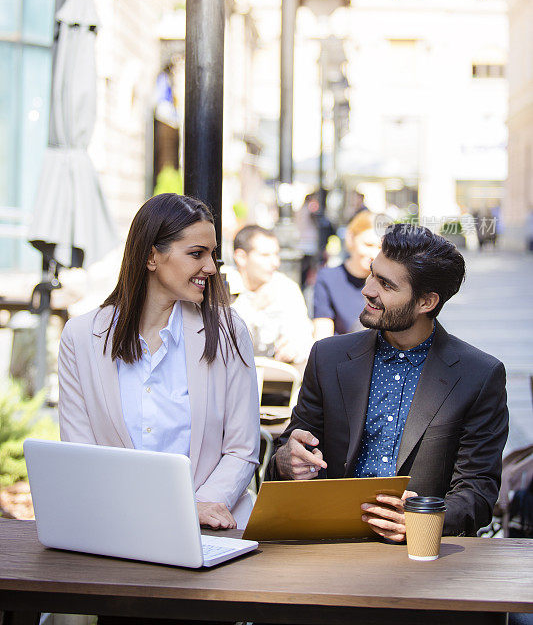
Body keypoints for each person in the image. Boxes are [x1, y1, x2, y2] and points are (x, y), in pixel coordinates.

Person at [267, 224, 508, 539]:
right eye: (371, 273)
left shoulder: (479, 374)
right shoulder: (328, 357)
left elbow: (478, 491)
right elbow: (288, 453)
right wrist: (287, 461)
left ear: (426, 302)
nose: (367, 289)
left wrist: (425, 520)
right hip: (329, 543)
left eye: (386, 284)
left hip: (421, 555)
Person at [58, 193, 260, 530]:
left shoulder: (228, 330)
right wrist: (157, 512)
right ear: (152, 256)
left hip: (209, 531)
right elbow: (82, 458)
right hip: (116, 530)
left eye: (212, 254)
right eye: (197, 254)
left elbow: (242, 449)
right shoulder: (81, 338)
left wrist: (195, 508)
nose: (210, 267)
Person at [231, 224, 313, 372]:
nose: (275, 263)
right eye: (265, 256)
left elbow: (304, 337)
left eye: (276, 255)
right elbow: (223, 341)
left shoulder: (285, 288)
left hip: (277, 384)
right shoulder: (224, 286)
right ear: (241, 257)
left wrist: (294, 348)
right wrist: (253, 309)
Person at [313, 210, 381, 339]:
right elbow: (322, 336)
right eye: (368, 244)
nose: (374, 254)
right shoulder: (328, 278)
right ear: (351, 238)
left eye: (380, 247)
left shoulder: (390, 282)